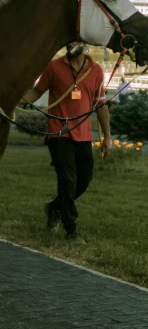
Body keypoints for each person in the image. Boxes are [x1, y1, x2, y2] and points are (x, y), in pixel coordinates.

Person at [23, 42, 111, 242]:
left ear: (84, 44)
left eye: (75, 40)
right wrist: (10, 99)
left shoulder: (96, 70)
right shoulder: (53, 67)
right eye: (68, 41)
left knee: (85, 179)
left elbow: (101, 104)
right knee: (67, 181)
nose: (71, 44)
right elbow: (36, 93)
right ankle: (71, 229)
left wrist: (107, 137)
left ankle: (54, 207)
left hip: (84, 135)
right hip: (59, 134)